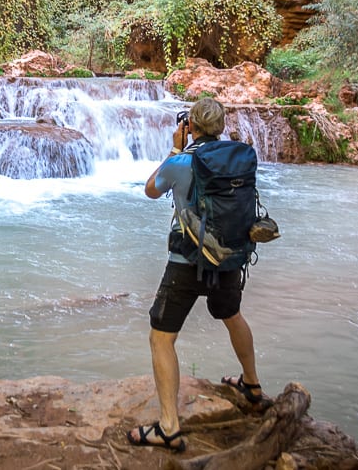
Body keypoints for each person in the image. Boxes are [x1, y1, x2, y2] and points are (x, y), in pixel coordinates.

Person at [126, 97, 270, 453]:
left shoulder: (181, 161)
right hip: (230, 255)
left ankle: (169, 427)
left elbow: (150, 190)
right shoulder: (238, 157)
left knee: (161, 338)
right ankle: (252, 386)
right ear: (220, 126)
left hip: (187, 260)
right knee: (232, 315)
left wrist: (174, 150)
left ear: (190, 125)